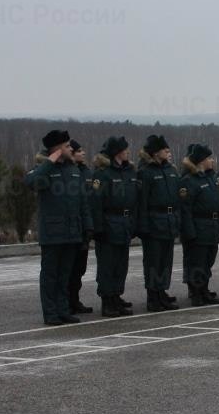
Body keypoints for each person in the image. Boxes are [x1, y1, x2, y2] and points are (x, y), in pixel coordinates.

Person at [25, 129, 93, 325]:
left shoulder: (73, 170)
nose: (71, 149)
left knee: (65, 275)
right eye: (67, 146)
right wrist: (50, 161)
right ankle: (50, 313)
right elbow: (31, 182)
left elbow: (82, 202)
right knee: (50, 276)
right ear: (56, 149)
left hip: (72, 231)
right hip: (53, 233)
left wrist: (87, 227)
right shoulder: (43, 169)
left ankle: (63, 310)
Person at [90, 136, 137, 317]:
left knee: (121, 264)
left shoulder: (128, 171)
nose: (128, 152)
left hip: (124, 224)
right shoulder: (103, 174)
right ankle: (107, 300)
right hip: (109, 224)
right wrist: (98, 229)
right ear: (117, 152)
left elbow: (134, 199)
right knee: (107, 265)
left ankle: (116, 296)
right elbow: (96, 203)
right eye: (125, 149)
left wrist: (132, 223)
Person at [137, 134, 181, 312]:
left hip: (169, 221)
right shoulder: (145, 172)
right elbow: (142, 202)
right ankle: (153, 296)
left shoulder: (170, 170)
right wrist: (143, 226)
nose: (168, 152)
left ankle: (162, 291)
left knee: (165, 261)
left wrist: (177, 220)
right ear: (155, 152)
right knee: (153, 262)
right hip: (154, 222)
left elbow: (177, 199)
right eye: (165, 149)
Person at [179, 143, 219, 306]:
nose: (212, 161)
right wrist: (189, 231)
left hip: (211, 226)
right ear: (201, 161)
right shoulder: (189, 180)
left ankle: (204, 289)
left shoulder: (210, 177)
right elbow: (185, 209)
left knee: (208, 261)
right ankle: (196, 292)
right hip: (199, 226)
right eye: (209, 158)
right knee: (197, 262)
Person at [67, 140, 94, 315]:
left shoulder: (86, 172)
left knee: (80, 268)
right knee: (68, 268)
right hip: (72, 225)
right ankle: (66, 301)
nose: (83, 153)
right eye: (79, 151)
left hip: (85, 225)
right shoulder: (69, 171)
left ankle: (74, 300)